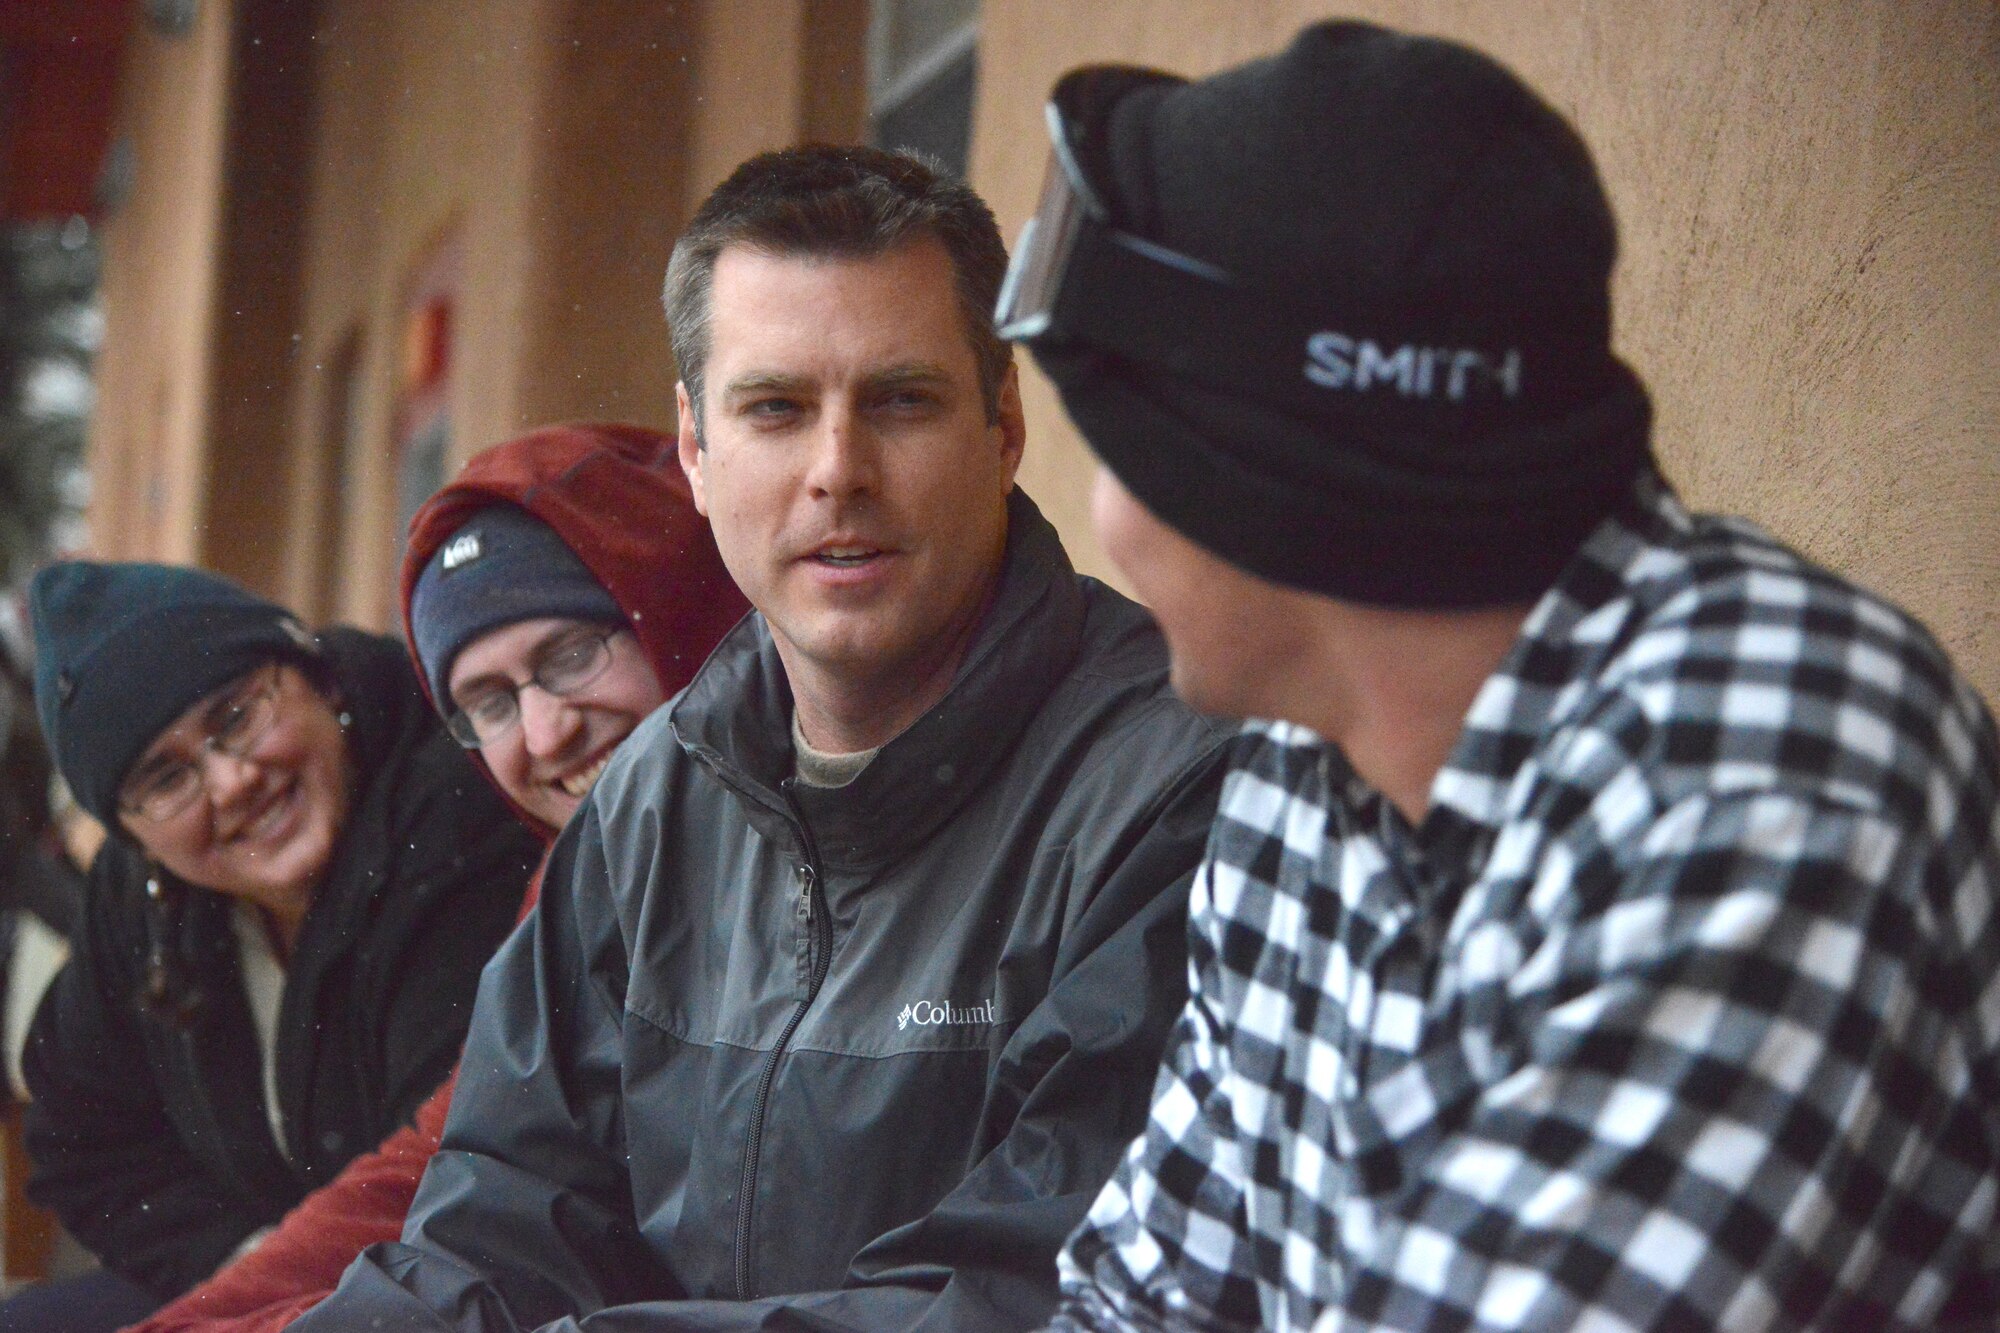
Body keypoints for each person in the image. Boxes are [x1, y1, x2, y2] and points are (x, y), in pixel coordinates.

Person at [990, 20, 2000, 1332]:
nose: (1104, 509)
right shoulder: (1304, 768)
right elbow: (1141, 1297)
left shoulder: (1766, 781)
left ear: (1260, 489)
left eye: (1121, 444)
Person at [290, 145, 1231, 1333]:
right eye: (775, 409)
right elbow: (493, 1229)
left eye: (899, 398)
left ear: (1001, 426)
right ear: (693, 448)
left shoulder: (1167, 789)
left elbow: (1018, 1302)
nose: (837, 472)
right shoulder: (647, 806)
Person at [125, 420, 750, 1333]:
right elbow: (454, 1166)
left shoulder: (846, 848)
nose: (545, 736)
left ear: (680, 613)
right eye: (489, 703)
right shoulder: (582, 886)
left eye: (572, 654)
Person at [0, 562, 542, 1332]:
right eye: (165, 777)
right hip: (270, 1279)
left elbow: (445, 1179)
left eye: (235, 716)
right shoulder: (141, 894)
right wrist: (237, 1256)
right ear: (134, 834)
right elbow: (82, 1139)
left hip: (443, 1286)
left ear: (317, 679)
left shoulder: (454, 816)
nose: (231, 781)